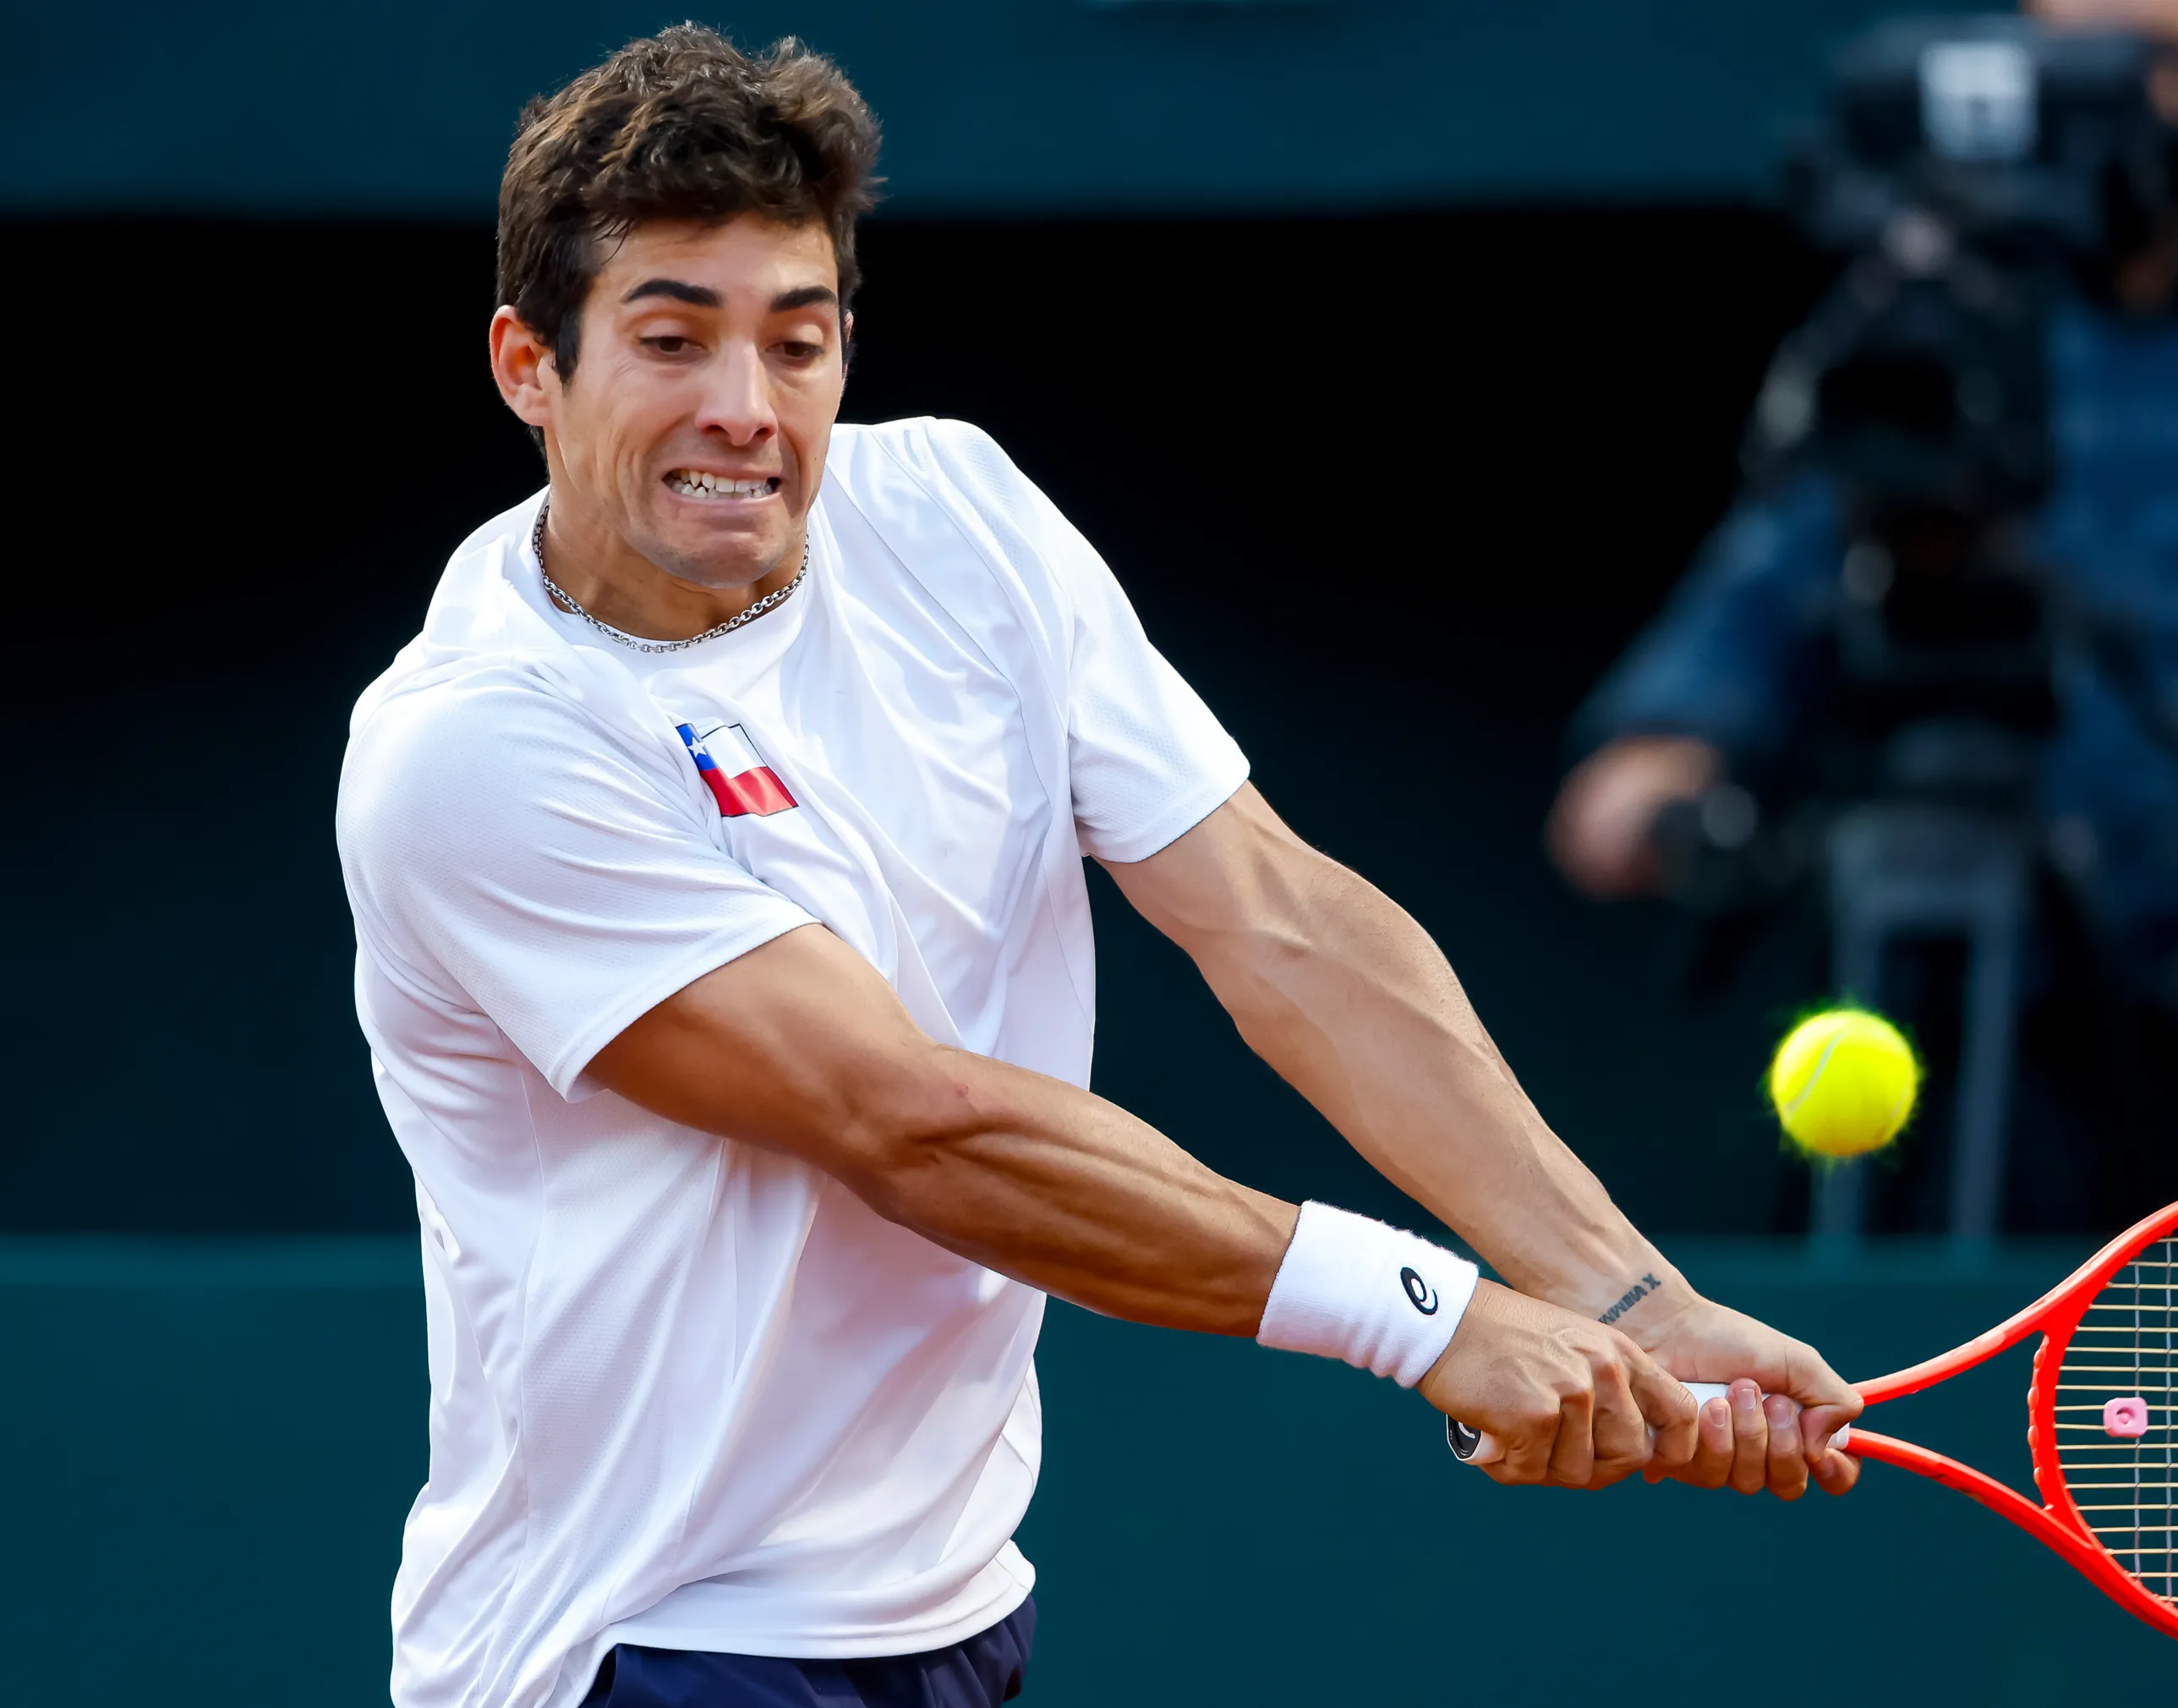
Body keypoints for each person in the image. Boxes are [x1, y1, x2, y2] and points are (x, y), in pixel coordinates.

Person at [335, 27, 1860, 1708]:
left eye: (799, 339)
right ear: (525, 366)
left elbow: (1276, 917)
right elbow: (910, 1122)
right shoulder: (475, 748)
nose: (745, 410)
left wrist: (1620, 1286)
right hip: (640, 1647)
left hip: (952, 1610)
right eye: (671, 339)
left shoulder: (959, 517)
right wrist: (1435, 1316)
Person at [1550, 0, 2178, 1229]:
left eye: (2158, 56)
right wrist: (1665, 742)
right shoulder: (1932, 312)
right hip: (1969, 1033)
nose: (2123, 81)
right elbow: (1787, 565)